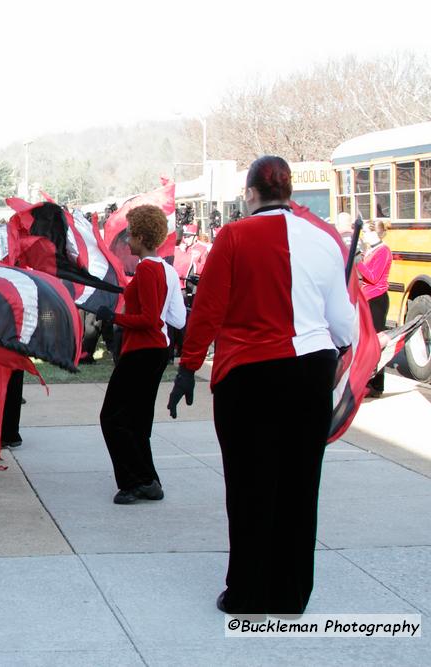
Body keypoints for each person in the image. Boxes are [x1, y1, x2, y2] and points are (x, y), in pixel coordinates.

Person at [168, 155, 354, 616]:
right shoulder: (325, 241)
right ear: (289, 193)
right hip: (309, 373)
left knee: (249, 484)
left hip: (249, 376)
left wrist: (189, 366)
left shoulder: (233, 236)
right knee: (300, 484)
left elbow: (208, 309)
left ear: (250, 194)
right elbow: (343, 325)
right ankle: (291, 595)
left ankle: (247, 591)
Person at [94, 204, 185, 504]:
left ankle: (136, 481)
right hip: (154, 349)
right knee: (136, 419)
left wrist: (114, 317)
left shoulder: (147, 269)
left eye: (132, 234)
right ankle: (148, 479)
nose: (128, 240)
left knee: (113, 417)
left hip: (142, 350)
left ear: (143, 237)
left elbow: (149, 319)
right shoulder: (158, 268)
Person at [357, 220, 392, 397]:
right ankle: (369, 380)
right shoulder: (372, 250)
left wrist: (358, 261)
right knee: (367, 342)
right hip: (368, 298)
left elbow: (373, 277)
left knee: (377, 341)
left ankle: (377, 384)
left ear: (375, 233)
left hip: (377, 300)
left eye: (365, 232)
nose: (363, 235)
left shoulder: (384, 251)